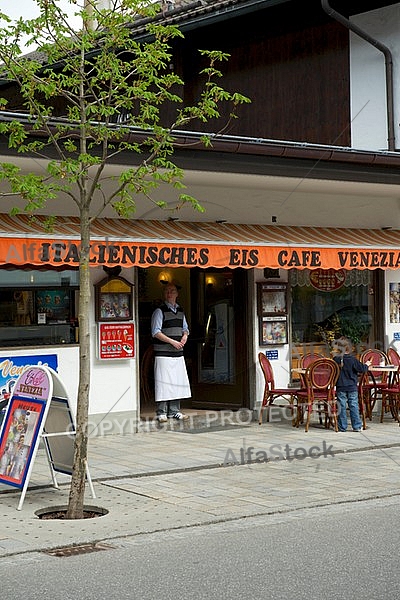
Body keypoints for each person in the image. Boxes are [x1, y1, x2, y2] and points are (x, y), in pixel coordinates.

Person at [151, 282, 191, 422]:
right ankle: (161, 412)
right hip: (163, 353)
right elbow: (155, 332)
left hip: (178, 353)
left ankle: (174, 411)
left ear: (177, 294)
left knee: (176, 381)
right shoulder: (159, 311)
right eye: (167, 291)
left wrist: (185, 336)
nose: (169, 293)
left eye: (172, 291)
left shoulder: (180, 311)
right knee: (163, 382)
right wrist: (172, 342)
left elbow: (185, 328)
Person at [333, 336, 371, 432]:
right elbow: (362, 369)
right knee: (353, 404)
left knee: (341, 405)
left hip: (340, 386)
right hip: (352, 386)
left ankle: (342, 427)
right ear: (350, 348)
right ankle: (357, 426)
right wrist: (367, 364)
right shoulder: (352, 360)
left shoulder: (335, 359)